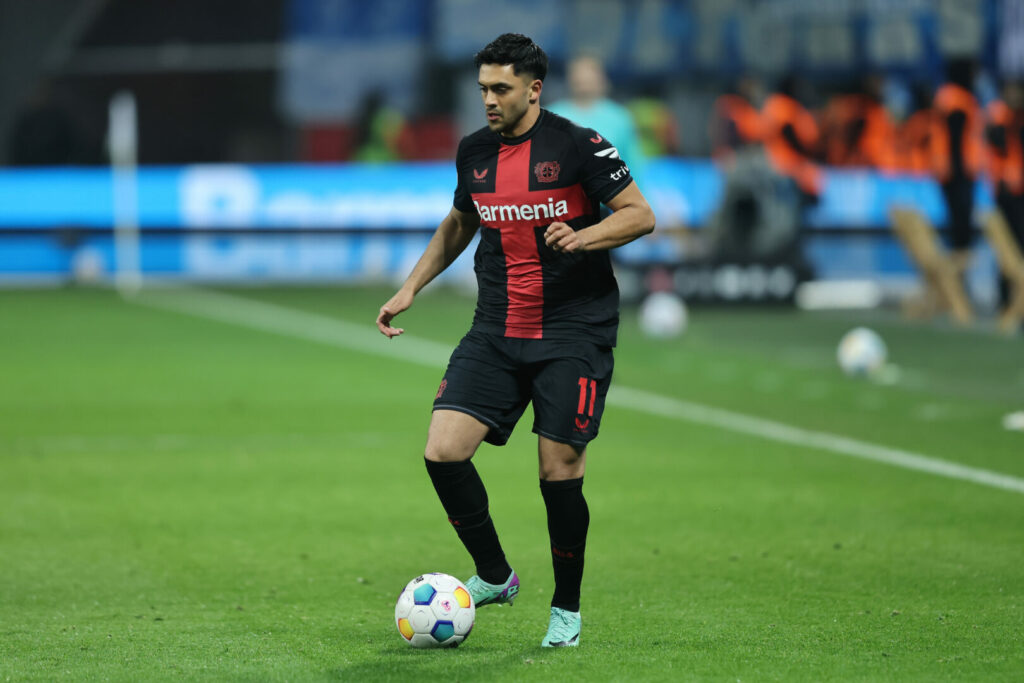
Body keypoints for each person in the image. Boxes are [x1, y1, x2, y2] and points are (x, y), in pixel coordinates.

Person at [376, 33, 655, 647]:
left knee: (559, 470)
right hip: (496, 329)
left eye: (500, 89)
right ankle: (497, 576)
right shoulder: (473, 152)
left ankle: (567, 609)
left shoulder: (578, 145)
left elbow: (640, 214)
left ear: (534, 88)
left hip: (572, 333)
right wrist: (411, 287)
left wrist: (584, 238)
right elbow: (459, 222)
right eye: (482, 89)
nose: (489, 100)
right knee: (443, 450)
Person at [547, 54, 645, 184]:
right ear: (570, 79)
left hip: (609, 197)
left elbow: (634, 163)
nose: (584, 85)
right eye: (579, 79)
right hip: (564, 198)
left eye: (589, 79)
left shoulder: (620, 117)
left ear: (601, 80)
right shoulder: (551, 115)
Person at [931, 59, 983, 273]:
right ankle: (959, 278)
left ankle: (959, 277)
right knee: (961, 228)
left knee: (957, 227)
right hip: (958, 173)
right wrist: (961, 172)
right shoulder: (958, 99)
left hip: (949, 171)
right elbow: (956, 139)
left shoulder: (946, 95)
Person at [984, 81, 1024, 310]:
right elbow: (997, 144)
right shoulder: (999, 118)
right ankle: (1006, 300)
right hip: (1006, 193)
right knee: (1007, 249)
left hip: (1018, 193)